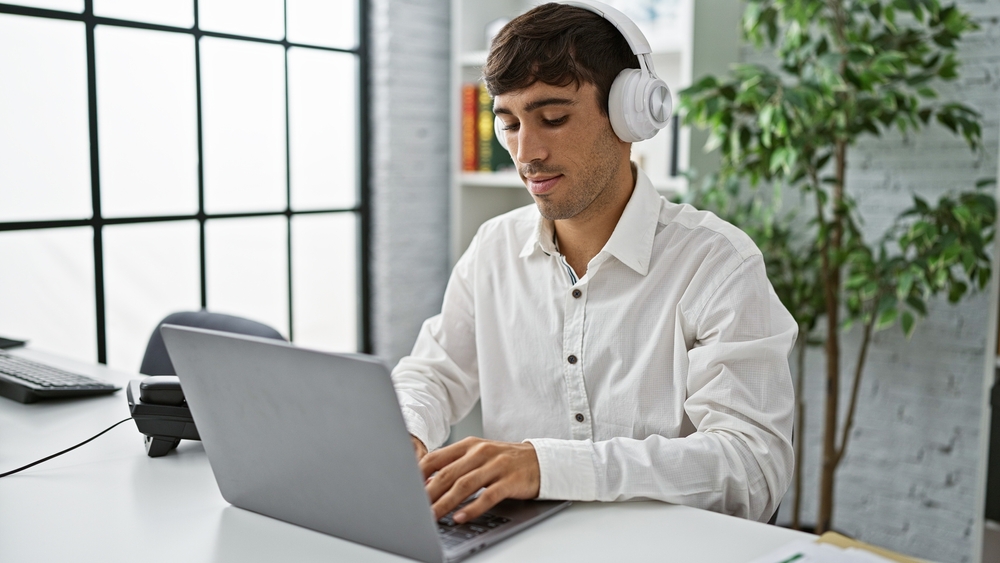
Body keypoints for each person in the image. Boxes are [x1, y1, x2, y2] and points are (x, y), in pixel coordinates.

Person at [391, 1, 796, 527]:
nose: (525, 152)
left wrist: (549, 466)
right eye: (508, 124)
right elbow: (434, 373)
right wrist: (405, 431)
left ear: (630, 113)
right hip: (520, 544)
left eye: (553, 118)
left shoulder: (717, 263)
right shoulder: (492, 248)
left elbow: (751, 470)